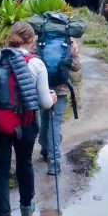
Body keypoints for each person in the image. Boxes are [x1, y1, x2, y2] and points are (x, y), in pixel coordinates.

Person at [0, 21, 56, 216]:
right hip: (26, 123)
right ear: (31, 40)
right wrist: (53, 98)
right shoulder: (36, 64)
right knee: (24, 162)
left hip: (0, 123)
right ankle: (26, 209)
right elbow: (45, 103)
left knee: (0, 169)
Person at [39, 35, 81, 176]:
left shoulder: (40, 37)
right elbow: (76, 67)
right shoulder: (69, 40)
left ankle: (44, 149)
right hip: (60, 89)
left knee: (44, 119)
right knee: (54, 124)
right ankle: (54, 165)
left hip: (42, 87)